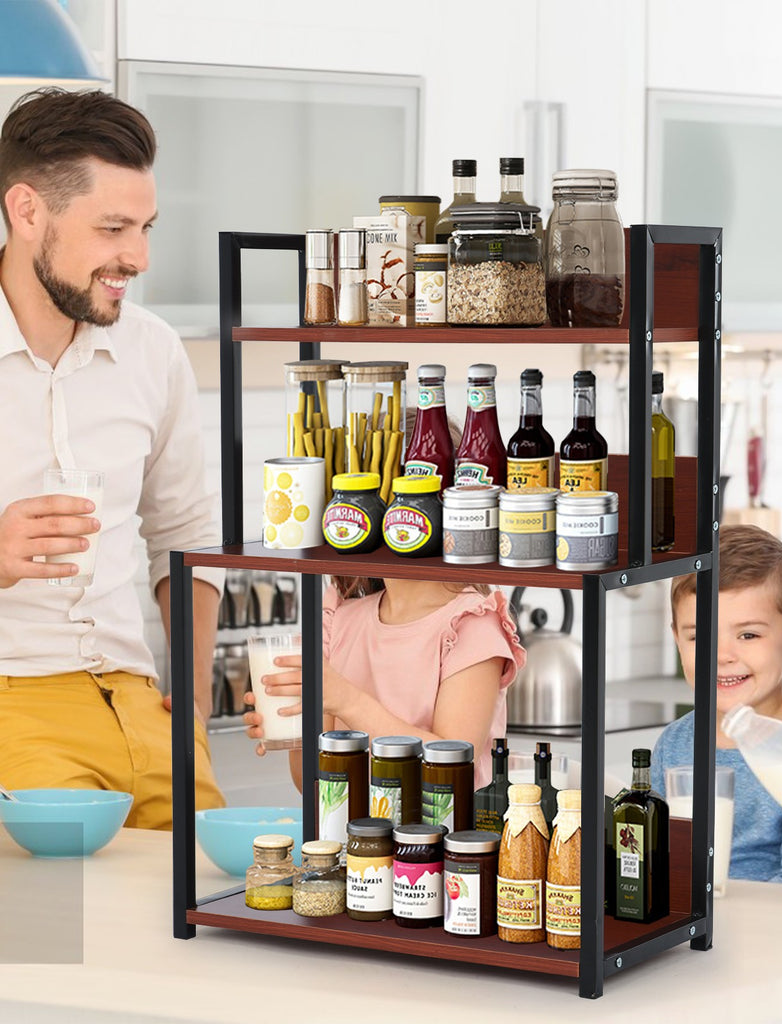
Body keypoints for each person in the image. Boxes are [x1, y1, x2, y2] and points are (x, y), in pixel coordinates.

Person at [0, 88, 225, 828]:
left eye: (146, 227)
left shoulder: (151, 350)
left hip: (141, 698)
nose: (138, 257)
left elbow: (185, 533)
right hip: (16, 697)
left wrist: (191, 699)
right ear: (27, 211)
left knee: (226, 907)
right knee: (66, 930)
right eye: (113, 228)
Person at [652, 524, 782, 884]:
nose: (722, 655)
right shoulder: (674, 744)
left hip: (773, 929)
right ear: (677, 641)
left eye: (748, 635)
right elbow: (659, 861)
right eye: (699, 636)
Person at [244, 575, 525, 789]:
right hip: (354, 849)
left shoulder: (473, 623)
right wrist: (293, 726)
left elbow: (449, 770)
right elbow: (313, 783)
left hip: (444, 852)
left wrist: (347, 701)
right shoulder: (340, 619)